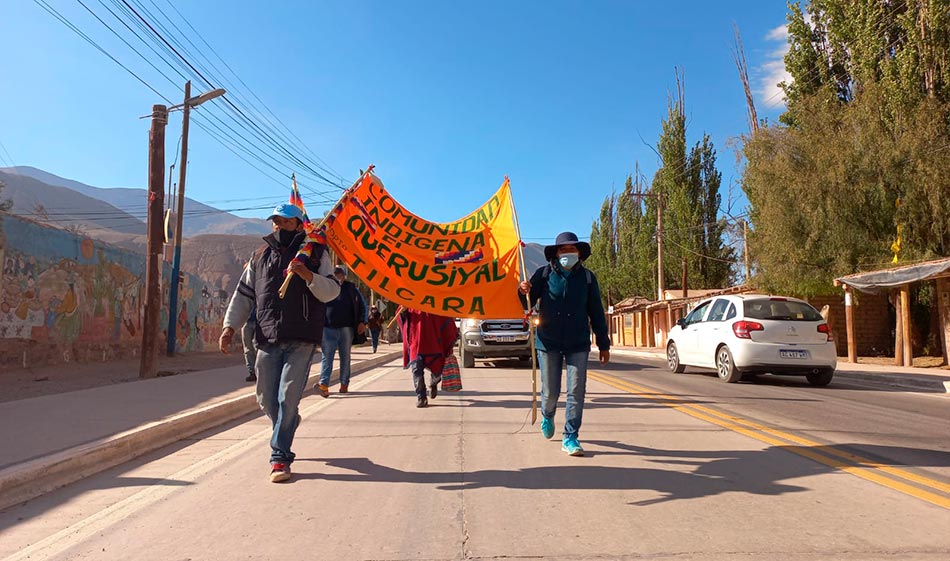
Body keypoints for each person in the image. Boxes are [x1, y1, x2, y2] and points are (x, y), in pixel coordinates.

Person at [219, 203, 340, 483]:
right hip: (267, 336)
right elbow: (243, 295)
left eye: (285, 222)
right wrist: (229, 327)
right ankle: (287, 424)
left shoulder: (315, 254)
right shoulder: (260, 256)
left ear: (299, 225)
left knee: (288, 397)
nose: (279, 226)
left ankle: (280, 458)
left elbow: (332, 291)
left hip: (302, 338)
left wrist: (308, 275)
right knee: (265, 397)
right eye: (276, 221)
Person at [518, 231, 610, 457]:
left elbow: (596, 312)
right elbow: (527, 302)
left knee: (576, 391)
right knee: (550, 392)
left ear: (579, 252)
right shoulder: (544, 274)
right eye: (563, 250)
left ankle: (570, 436)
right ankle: (547, 414)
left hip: (578, 342)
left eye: (572, 249)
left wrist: (603, 343)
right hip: (548, 341)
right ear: (556, 254)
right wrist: (523, 291)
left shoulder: (588, 278)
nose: (568, 253)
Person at [316, 265, 367, 397]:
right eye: (335, 273)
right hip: (328, 328)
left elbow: (363, 305)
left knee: (345, 357)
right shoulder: (326, 286)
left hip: (346, 328)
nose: (337, 275)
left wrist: (363, 321)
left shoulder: (351, 288)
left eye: (340, 273)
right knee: (327, 356)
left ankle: (344, 383)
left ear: (344, 275)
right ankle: (324, 385)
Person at [398, 308, 459, 408]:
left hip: (434, 342)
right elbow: (401, 315)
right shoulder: (410, 299)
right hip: (415, 342)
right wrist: (403, 311)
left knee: (437, 370)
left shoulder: (434, 301)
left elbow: (446, 317)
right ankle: (421, 397)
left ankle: (433, 383)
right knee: (416, 370)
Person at [242, 305, 258, 382]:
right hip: (246, 322)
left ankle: (260, 371)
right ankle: (252, 372)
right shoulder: (246, 293)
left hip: (259, 322)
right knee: (247, 348)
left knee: (258, 347)